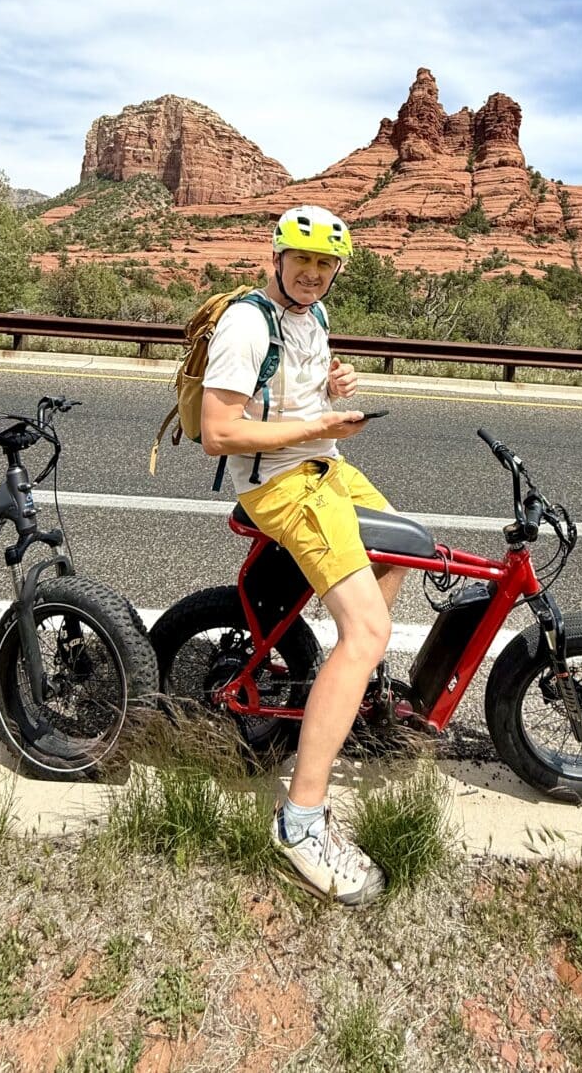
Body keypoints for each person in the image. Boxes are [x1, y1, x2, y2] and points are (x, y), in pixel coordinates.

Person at [201, 204, 404, 905]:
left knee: (401, 545)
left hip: (323, 464)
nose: (314, 274)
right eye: (303, 261)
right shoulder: (247, 324)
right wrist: (318, 422)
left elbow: (292, 395)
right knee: (368, 630)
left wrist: (331, 392)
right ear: (277, 258)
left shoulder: (313, 316)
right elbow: (219, 431)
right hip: (282, 484)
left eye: (325, 264)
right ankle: (300, 823)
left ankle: (349, 686)